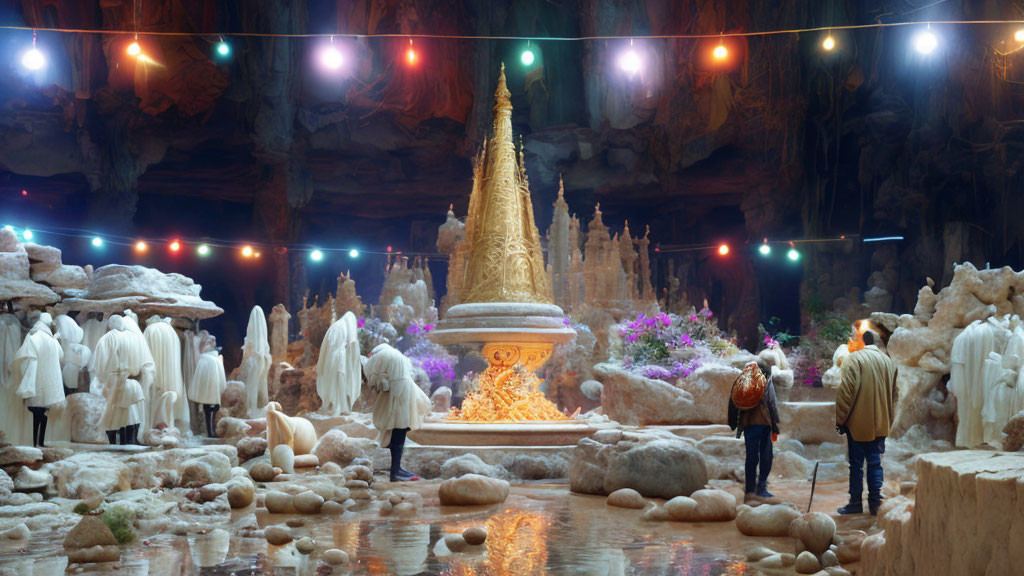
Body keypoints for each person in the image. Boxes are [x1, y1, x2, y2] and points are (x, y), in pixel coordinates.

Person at [835, 330, 899, 516]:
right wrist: (889, 419)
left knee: (856, 465)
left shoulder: (855, 360)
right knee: (875, 462)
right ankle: (875, 504)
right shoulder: (888, 361)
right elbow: (895, 394)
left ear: (862, 341)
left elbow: (846, 393)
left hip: (857, 424)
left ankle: (855, 503)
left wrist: (841, 419)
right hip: (881, 422)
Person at [362, 344, 430, 482]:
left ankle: (396, 471)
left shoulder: (381, 356)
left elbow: (375, 379)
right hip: (404, 392)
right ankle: (396, 469)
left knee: (398, 429)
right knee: (400, 430)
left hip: (398, 394)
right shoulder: (395, 354)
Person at [728, 362, 780, 501]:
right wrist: (775, 425)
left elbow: (732, 402)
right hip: (764, 423)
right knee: (766, 456)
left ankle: (749, 490)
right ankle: (761, 488)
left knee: (751, 457)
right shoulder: (765, 380)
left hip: (749, 424)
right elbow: (772, 403)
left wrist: (733, 424)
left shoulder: (741, 380)